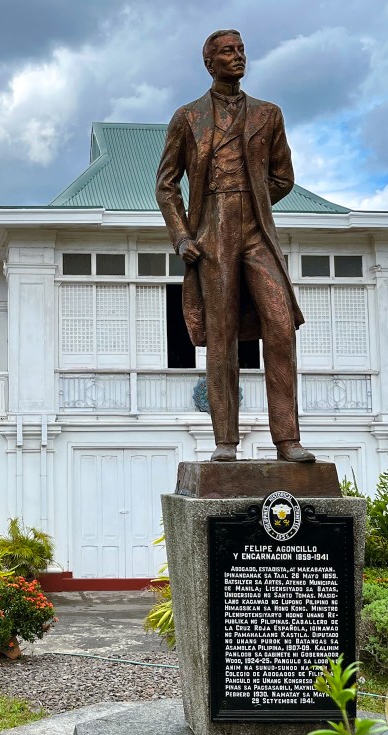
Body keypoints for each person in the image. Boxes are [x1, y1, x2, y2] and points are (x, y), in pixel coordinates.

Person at [156, 28, 314, 463]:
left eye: (242, 49)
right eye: (228, 51)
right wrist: (183, 235)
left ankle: (288, 439)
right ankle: (225, 442)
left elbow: (283, 177)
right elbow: (166, 185)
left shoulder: (268, 113)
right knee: (222, 336)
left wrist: (253, 198)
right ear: (210, 62)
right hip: (211, 231)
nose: (238, 57)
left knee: (280, 326)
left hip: (256, 231)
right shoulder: (188, 117)